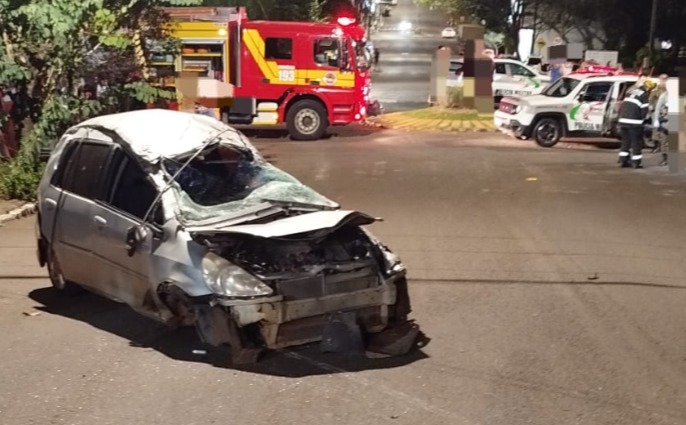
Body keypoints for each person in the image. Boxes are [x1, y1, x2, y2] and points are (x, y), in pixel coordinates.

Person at [617, 79, 656, 168]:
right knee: (636, 142)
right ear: (648, 88)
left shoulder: (631, 92)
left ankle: (623, 160)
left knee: (625, 141)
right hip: (634, 122)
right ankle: (636, 162)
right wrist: (644, 119)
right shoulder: (644, 95)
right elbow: (644, 112)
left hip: (623, 121)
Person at [649, 74, 669, 165]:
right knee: (664, 140)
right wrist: (656, 119)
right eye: (663, 79)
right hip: (664, 120)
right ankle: (664, 158)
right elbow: (656, 107)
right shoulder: (661, 93)